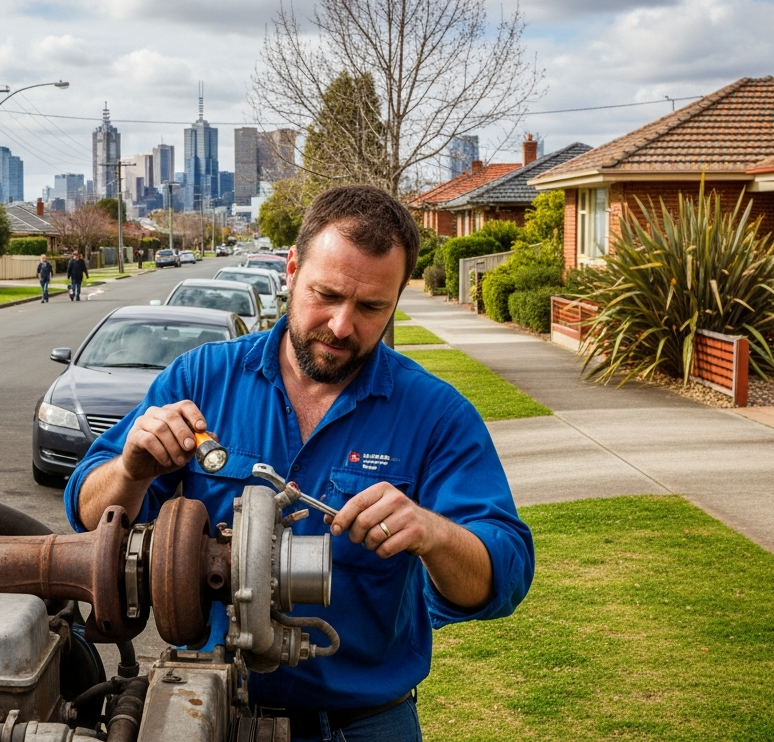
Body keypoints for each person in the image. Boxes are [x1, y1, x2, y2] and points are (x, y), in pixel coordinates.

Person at [64, 185, 533, 742]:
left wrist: (434, 534)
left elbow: (503, 574)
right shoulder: (200, 380)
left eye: (371, 307)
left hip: (361, 727)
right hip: (200, 713)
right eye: (326, 294)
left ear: (398, 300)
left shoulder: (436, 415)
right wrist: (132, 471)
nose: (341, 326)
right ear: (292, 269)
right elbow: (90, 519)